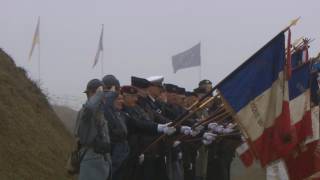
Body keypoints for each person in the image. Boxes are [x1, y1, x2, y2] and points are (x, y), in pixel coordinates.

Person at [75, 79, 111, 180]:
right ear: (92, 94)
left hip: (102, 160)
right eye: (102, 93)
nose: (104, 97)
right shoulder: (86, 112)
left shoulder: (100, 112)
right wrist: (98, 94)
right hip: (91, 160)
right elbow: (90, 107)